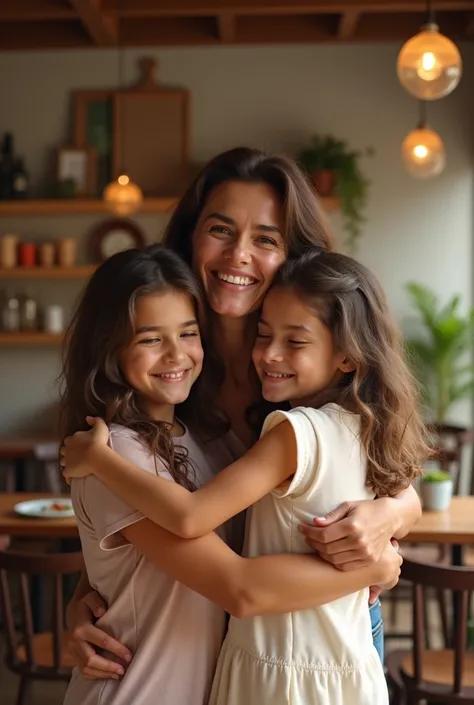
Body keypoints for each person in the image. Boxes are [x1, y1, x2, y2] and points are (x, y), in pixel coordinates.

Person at [64, 147, 421, 677]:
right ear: (190, 238)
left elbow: (387, 461)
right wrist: (82, 598)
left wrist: (392, 518)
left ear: (294, 256)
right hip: (232, 645)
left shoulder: (311, 368)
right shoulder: (166, 370)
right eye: (221, 230)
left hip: (325, 634)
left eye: (266, 239)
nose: (239, 256)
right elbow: (131, 517)